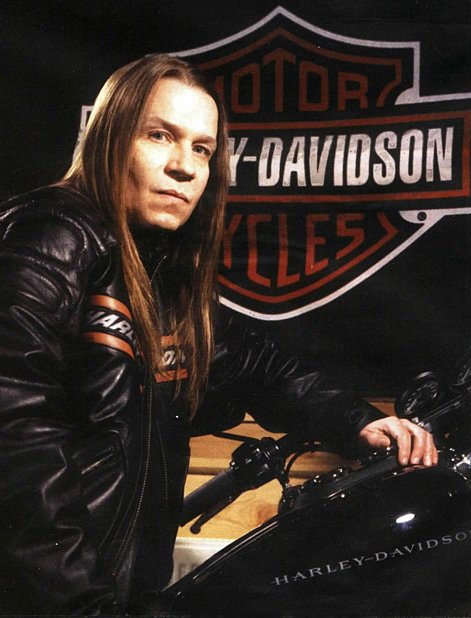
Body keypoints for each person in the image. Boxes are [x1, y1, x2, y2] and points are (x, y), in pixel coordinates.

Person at [0, 54, 437, 615]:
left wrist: (359, 422)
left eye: (202, 149)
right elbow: (18, 442)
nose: (184, 167)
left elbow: (258, 365)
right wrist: (79, 605)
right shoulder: (52, 237)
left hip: (119, 593)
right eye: (160, 136)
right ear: (110, 137)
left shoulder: (161, 273)